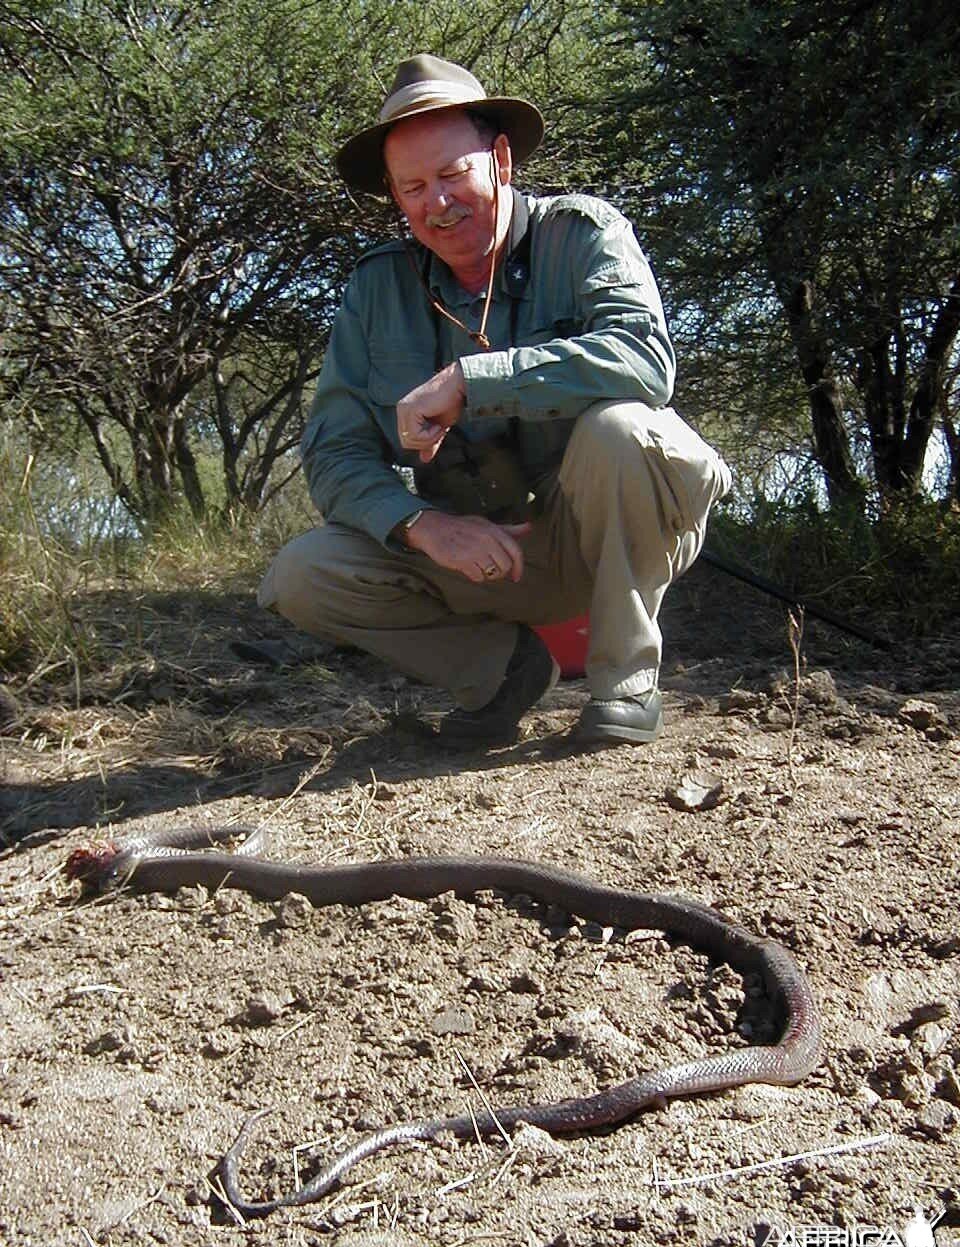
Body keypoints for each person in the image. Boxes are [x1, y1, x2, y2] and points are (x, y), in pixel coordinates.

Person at [258, 53, 731, 747]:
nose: (437, 204)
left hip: (604, 536)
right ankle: (503, 672)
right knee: (301, 574)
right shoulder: (375, 289)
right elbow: (334, 452)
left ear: (501, 160)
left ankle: (625, 683)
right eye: (412, 187)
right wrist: (422, 526)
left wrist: (473, 382)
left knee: (623, 428)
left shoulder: (584, 234)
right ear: (395, 195)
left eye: (453, 175)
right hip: (478, 558)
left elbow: (645, 359)